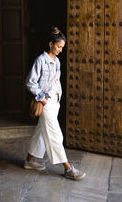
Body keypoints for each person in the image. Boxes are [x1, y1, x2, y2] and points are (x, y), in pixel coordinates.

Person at [24, 26, 86, 180]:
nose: (60, 50)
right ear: (51, 44)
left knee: (40, 132)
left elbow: (56, 81)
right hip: (46, 103)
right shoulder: (41, 60)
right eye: (59, 46)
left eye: (62, 47)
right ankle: (68, 168)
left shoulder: (57, 61)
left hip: (55, 102)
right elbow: (30, 82)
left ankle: (29, 161)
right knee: (55, 134)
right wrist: (42, 98)